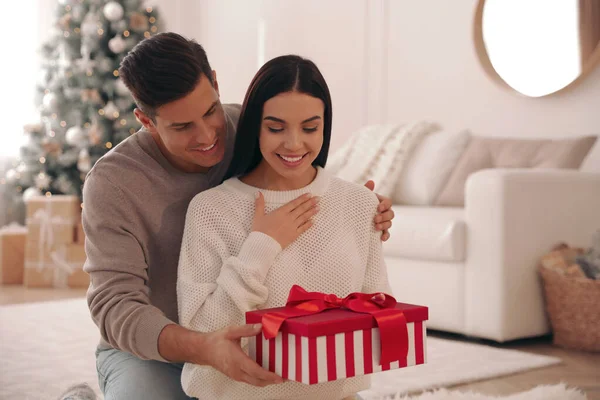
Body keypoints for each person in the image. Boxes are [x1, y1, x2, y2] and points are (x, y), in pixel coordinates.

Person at [83, 32, 395, 400]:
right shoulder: (113, 183)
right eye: (182, 127)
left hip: (244, 338)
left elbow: (302, 165)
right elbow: (115, 306)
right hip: (154, 350)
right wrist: (205, 348)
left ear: (215, 83)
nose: (207, 136)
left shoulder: (253, 126)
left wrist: (358, 208)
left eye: (210, 111)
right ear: (146, 121)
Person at [177, 55, 392, 400]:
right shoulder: (210, 209)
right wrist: (261, 245)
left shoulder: (359, 204)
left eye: (310, 128)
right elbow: (202, 330)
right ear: (255, 126)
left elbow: (374, 320)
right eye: (276, 128)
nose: (294, 144)